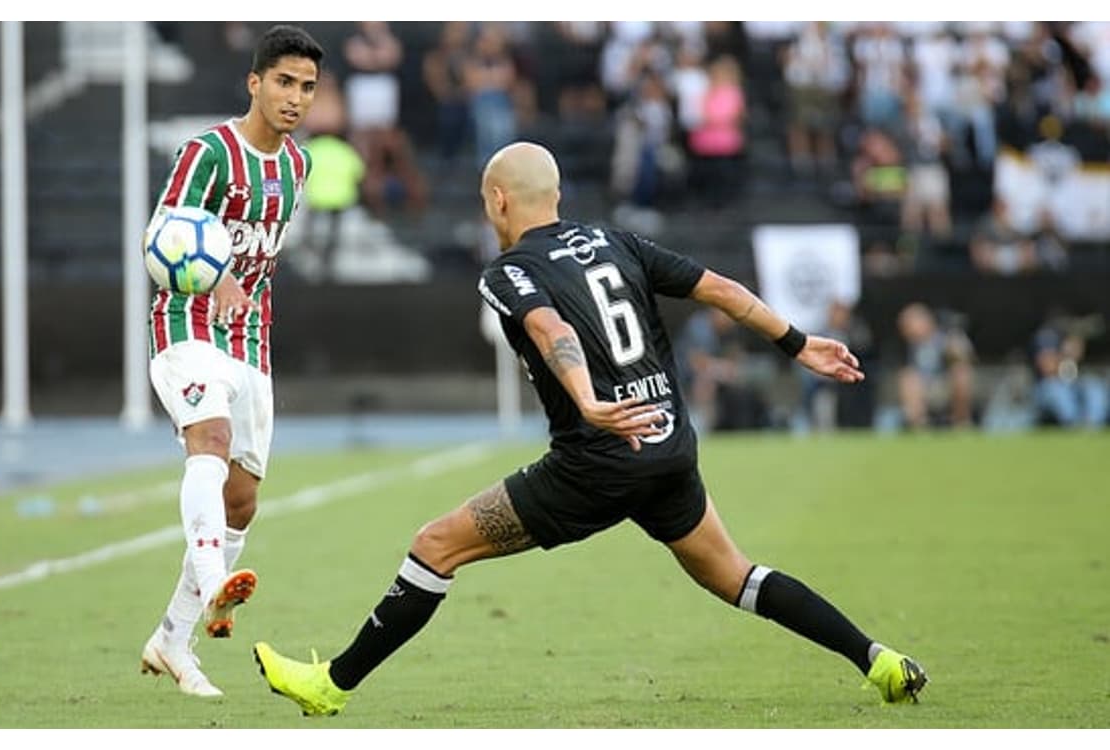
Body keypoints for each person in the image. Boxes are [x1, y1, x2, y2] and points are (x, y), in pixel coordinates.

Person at [252, 142, 928, 716]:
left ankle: (330, 687)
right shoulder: (618, 241)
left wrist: (587, 400)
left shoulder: (508, 270)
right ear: (558, 193)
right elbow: (719, 287)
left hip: (598, 459)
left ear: (497, 200)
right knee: (734, 575)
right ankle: (879, 661)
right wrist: (799, 343)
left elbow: (551, 327)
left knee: (435, 546)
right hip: (667, 447)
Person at [139, 24, 323, 698]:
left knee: (240, 501)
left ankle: (171, 640)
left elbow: (263, 259)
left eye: (307, 87)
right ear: (254, 82)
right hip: (185, 325)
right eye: (284, 82)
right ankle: (215, 579)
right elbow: (161, 235)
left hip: (251, 340)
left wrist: (240, 290)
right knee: (208, 444)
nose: (295, 97)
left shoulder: (298, 166)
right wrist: (212, 275)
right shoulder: (208, 153)